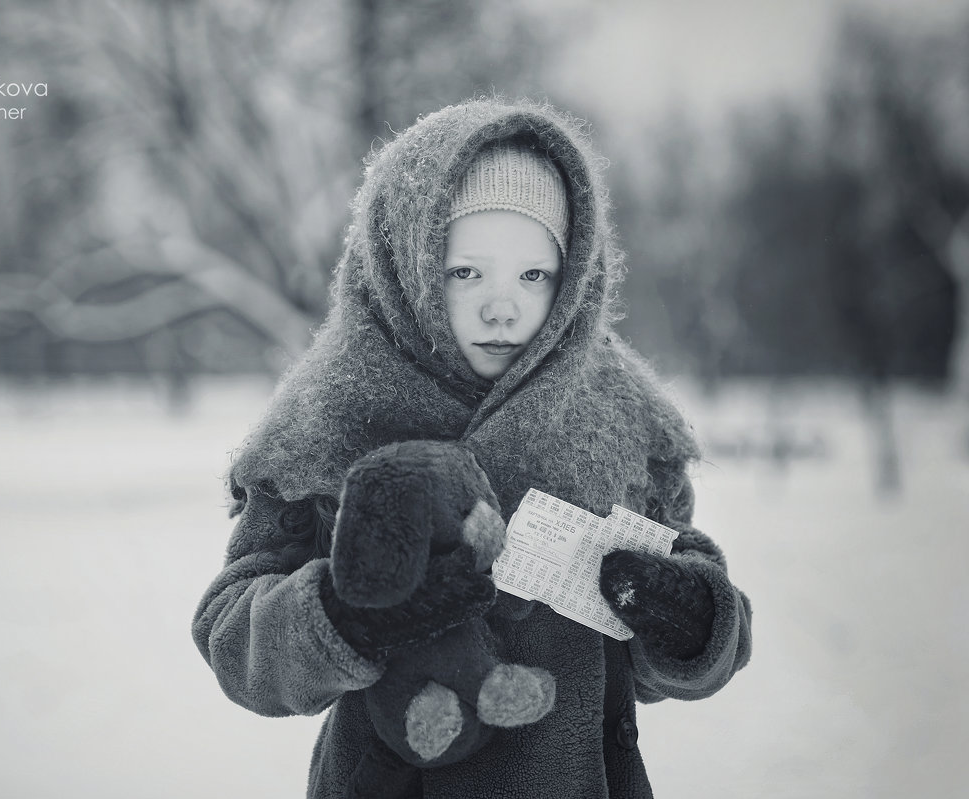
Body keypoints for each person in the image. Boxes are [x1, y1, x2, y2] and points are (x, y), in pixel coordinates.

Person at [192, 97, 752, 798]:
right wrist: (342, 616)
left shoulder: (625, 424)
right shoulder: (327, 416)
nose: (502, 305)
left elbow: (704, 648)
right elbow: (232, 634)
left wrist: (692, 622)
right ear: (407, 263)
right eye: (466, 272)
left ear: (573, 274)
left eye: (533, 274)